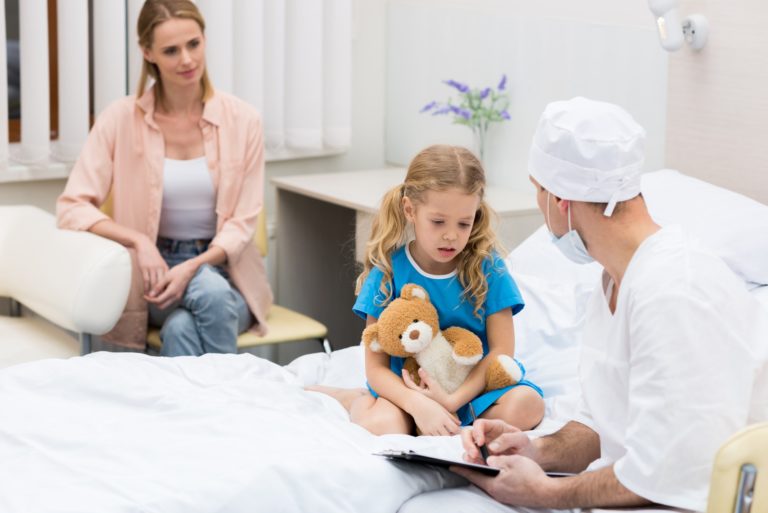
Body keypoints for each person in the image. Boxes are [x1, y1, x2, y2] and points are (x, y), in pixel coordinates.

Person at [400, 98, 768, 512]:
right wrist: (535, 450)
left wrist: (544, 493)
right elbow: (602, 427)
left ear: (561, 201)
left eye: (539, 193)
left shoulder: (673, 291)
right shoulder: (614, 280)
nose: (541, 209)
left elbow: (664, 474)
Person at [56, 0, 272, 356]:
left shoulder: (243, 120)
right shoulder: (120, 119)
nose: (186, 60)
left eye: (193, 44)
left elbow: (243, 222)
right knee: (204, 304)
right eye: (171, 51)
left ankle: (207, 410)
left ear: (204, 39)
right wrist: (139, 242)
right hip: (153, 274)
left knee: (185, 325)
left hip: (229, 275)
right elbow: (72, 207)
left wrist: (195, 265)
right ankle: (235, 404)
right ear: (148, 52)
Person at [311, 145, 545, 436]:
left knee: (527, 405)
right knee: (383, 426)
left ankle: (448, 421)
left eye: (464, 223)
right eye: (438, 222)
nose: (451, 235)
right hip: (407, 390)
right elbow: (376, 368)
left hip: (471, 389)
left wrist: (451, 401)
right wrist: (418, 405)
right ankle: (356, 399)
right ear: (410, 210)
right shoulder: (388, 272)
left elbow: (501, 351)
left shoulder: (489, 268)